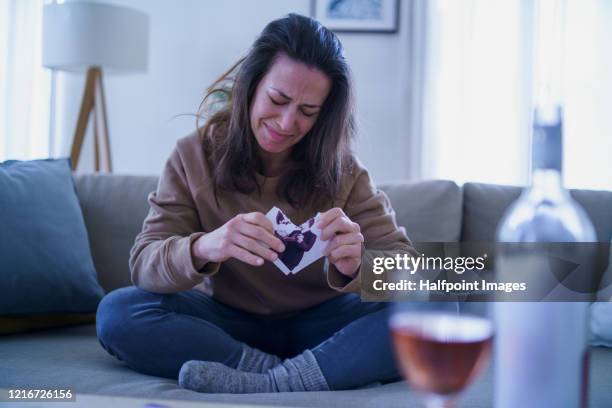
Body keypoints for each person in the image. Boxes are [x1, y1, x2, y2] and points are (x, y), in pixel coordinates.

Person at [95, 13, 417, 394]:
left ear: (324, 115)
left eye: (307, 112)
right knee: (118, 313)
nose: (286, 122)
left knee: (434, 308)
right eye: (278, 99)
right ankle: (275, 373)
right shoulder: (192, 155)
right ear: (251, 84)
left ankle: (273, 382)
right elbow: (144, 265)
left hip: (323, 325)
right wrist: (205, 246)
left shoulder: (344, 171)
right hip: (227, 324)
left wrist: (359, 265)